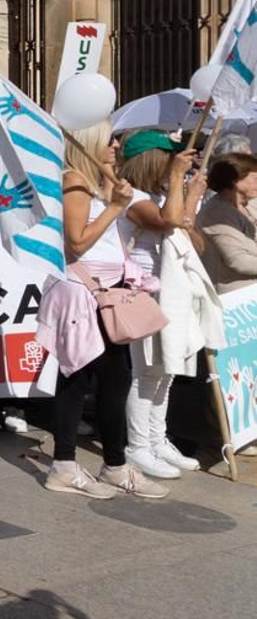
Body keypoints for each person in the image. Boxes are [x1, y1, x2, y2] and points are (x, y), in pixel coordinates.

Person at [44, 122, 168, 499]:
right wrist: (115, 207)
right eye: (109, 139)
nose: (116, 145)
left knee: (109, 380)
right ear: (89, 142)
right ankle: (71, 465)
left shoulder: (92, 182)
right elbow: (77, 241)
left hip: (104, 291)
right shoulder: (74, 182)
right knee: (80, 379)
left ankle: (109, 464)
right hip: (85, 294)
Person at [116, 131, 210, 481]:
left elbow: (194, 240)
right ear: (153, 159)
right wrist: (181, 184)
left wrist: (190, 196)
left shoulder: (159, 196)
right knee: (147, 373)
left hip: (171, 291)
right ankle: (138, 445)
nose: (175, 162)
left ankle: (157, 439)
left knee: (166, 372)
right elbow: (169, 222)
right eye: (169, 157)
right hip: (144, 292)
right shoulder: (133, 197)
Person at [197, 153, 257, 293]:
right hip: (239, 295)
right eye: (255, 178)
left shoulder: (249, 205)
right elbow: (238, 261)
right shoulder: (217, 213)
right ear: (235, 180)